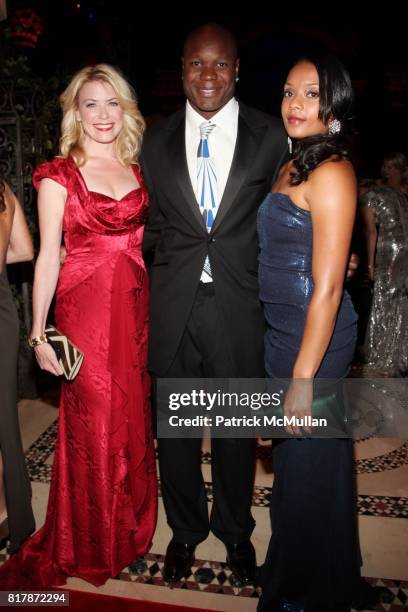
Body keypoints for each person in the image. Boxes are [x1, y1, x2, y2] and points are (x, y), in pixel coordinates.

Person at [141, 22, 288, 585]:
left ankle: (235, 532)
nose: (208, 75)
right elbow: (150, 224)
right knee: (176, 435)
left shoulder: (271, 137)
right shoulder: (153, 141)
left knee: (234, 433)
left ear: (237, 70)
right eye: (197, 64)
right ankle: (184, 532)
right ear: (181, 70)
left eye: (220, 64)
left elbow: (286, 213)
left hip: (241, 305)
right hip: (175, 306)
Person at [0, 64, 157, 587]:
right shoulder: (58, 175)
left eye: (112, 102)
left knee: (131, 418)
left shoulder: (137, 167)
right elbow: (46, 258)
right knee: (95, 425)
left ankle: (126, 528)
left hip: (134, 312)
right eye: (91, 104)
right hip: (84, 313)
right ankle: (89, 539)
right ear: (75, 112)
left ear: (125, 109)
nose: (103, 114)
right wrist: (38, 333)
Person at [257, 56, 362, 611]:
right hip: (284, 331)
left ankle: (300, 595)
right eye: (288, 91)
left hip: (314, 345)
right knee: (311, 470)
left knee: (301, 480)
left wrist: (301, 378)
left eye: (311, 93)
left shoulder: (334, 171)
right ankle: (330, 577)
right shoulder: (292, 163)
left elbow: (326, 289)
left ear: (334, 106)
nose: (295, 103)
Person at [0, 178, 35, 554]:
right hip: (3, 313)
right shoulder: (4, 189)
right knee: (4, 423)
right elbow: (23, 250)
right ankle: (13, 515)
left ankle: (4, 514)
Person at [360, 152, 408, 374]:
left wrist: (370, 265)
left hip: (389, 249)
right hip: (400, 248)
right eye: (386, 166)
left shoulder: (373, 194)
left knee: (385, 300)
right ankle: (395, 354)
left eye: (392, 166)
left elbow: (371, 232)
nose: (388, 170)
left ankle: (383, 354)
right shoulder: (396, 194)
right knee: (398, 300)